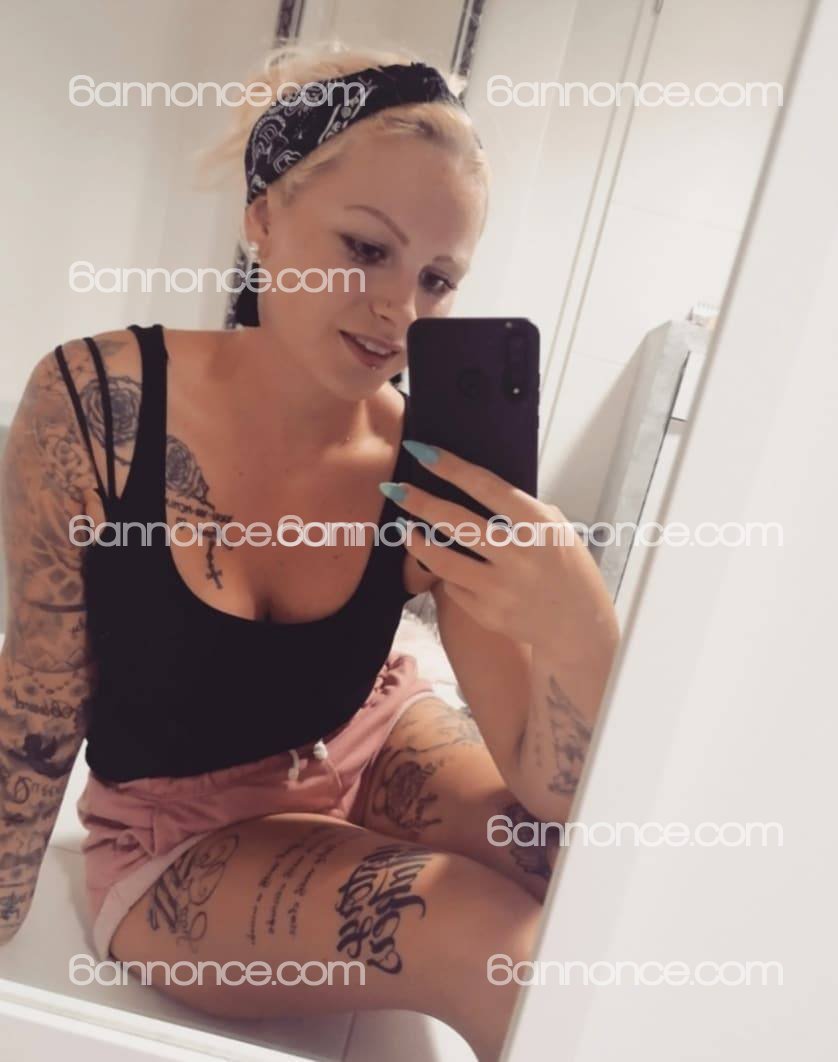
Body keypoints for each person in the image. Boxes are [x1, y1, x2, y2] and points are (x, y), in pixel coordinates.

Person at [0, 42, 619, 1061]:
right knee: (499, 946)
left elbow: (549, 783)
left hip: (372, 734)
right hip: (178, 835)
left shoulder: (427, 464)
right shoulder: (99, 409)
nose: (399, 309)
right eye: (365, 248)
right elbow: (38, 702)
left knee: (582, 875)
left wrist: (582, 625)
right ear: (262, 215)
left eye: (437, 278)